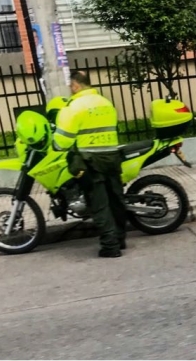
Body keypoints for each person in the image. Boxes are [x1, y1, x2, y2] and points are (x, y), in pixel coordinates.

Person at [53, 71, 127, 258]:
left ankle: (110, 246)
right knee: (115, 199)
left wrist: (56, 144)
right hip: (112, 156)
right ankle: (120, 237)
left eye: (71, 86)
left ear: (76, 85)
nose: (70, 89)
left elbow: (62, 141)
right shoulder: (105, 102)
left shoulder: (74, 106)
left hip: (91, 161)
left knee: (100, 203)